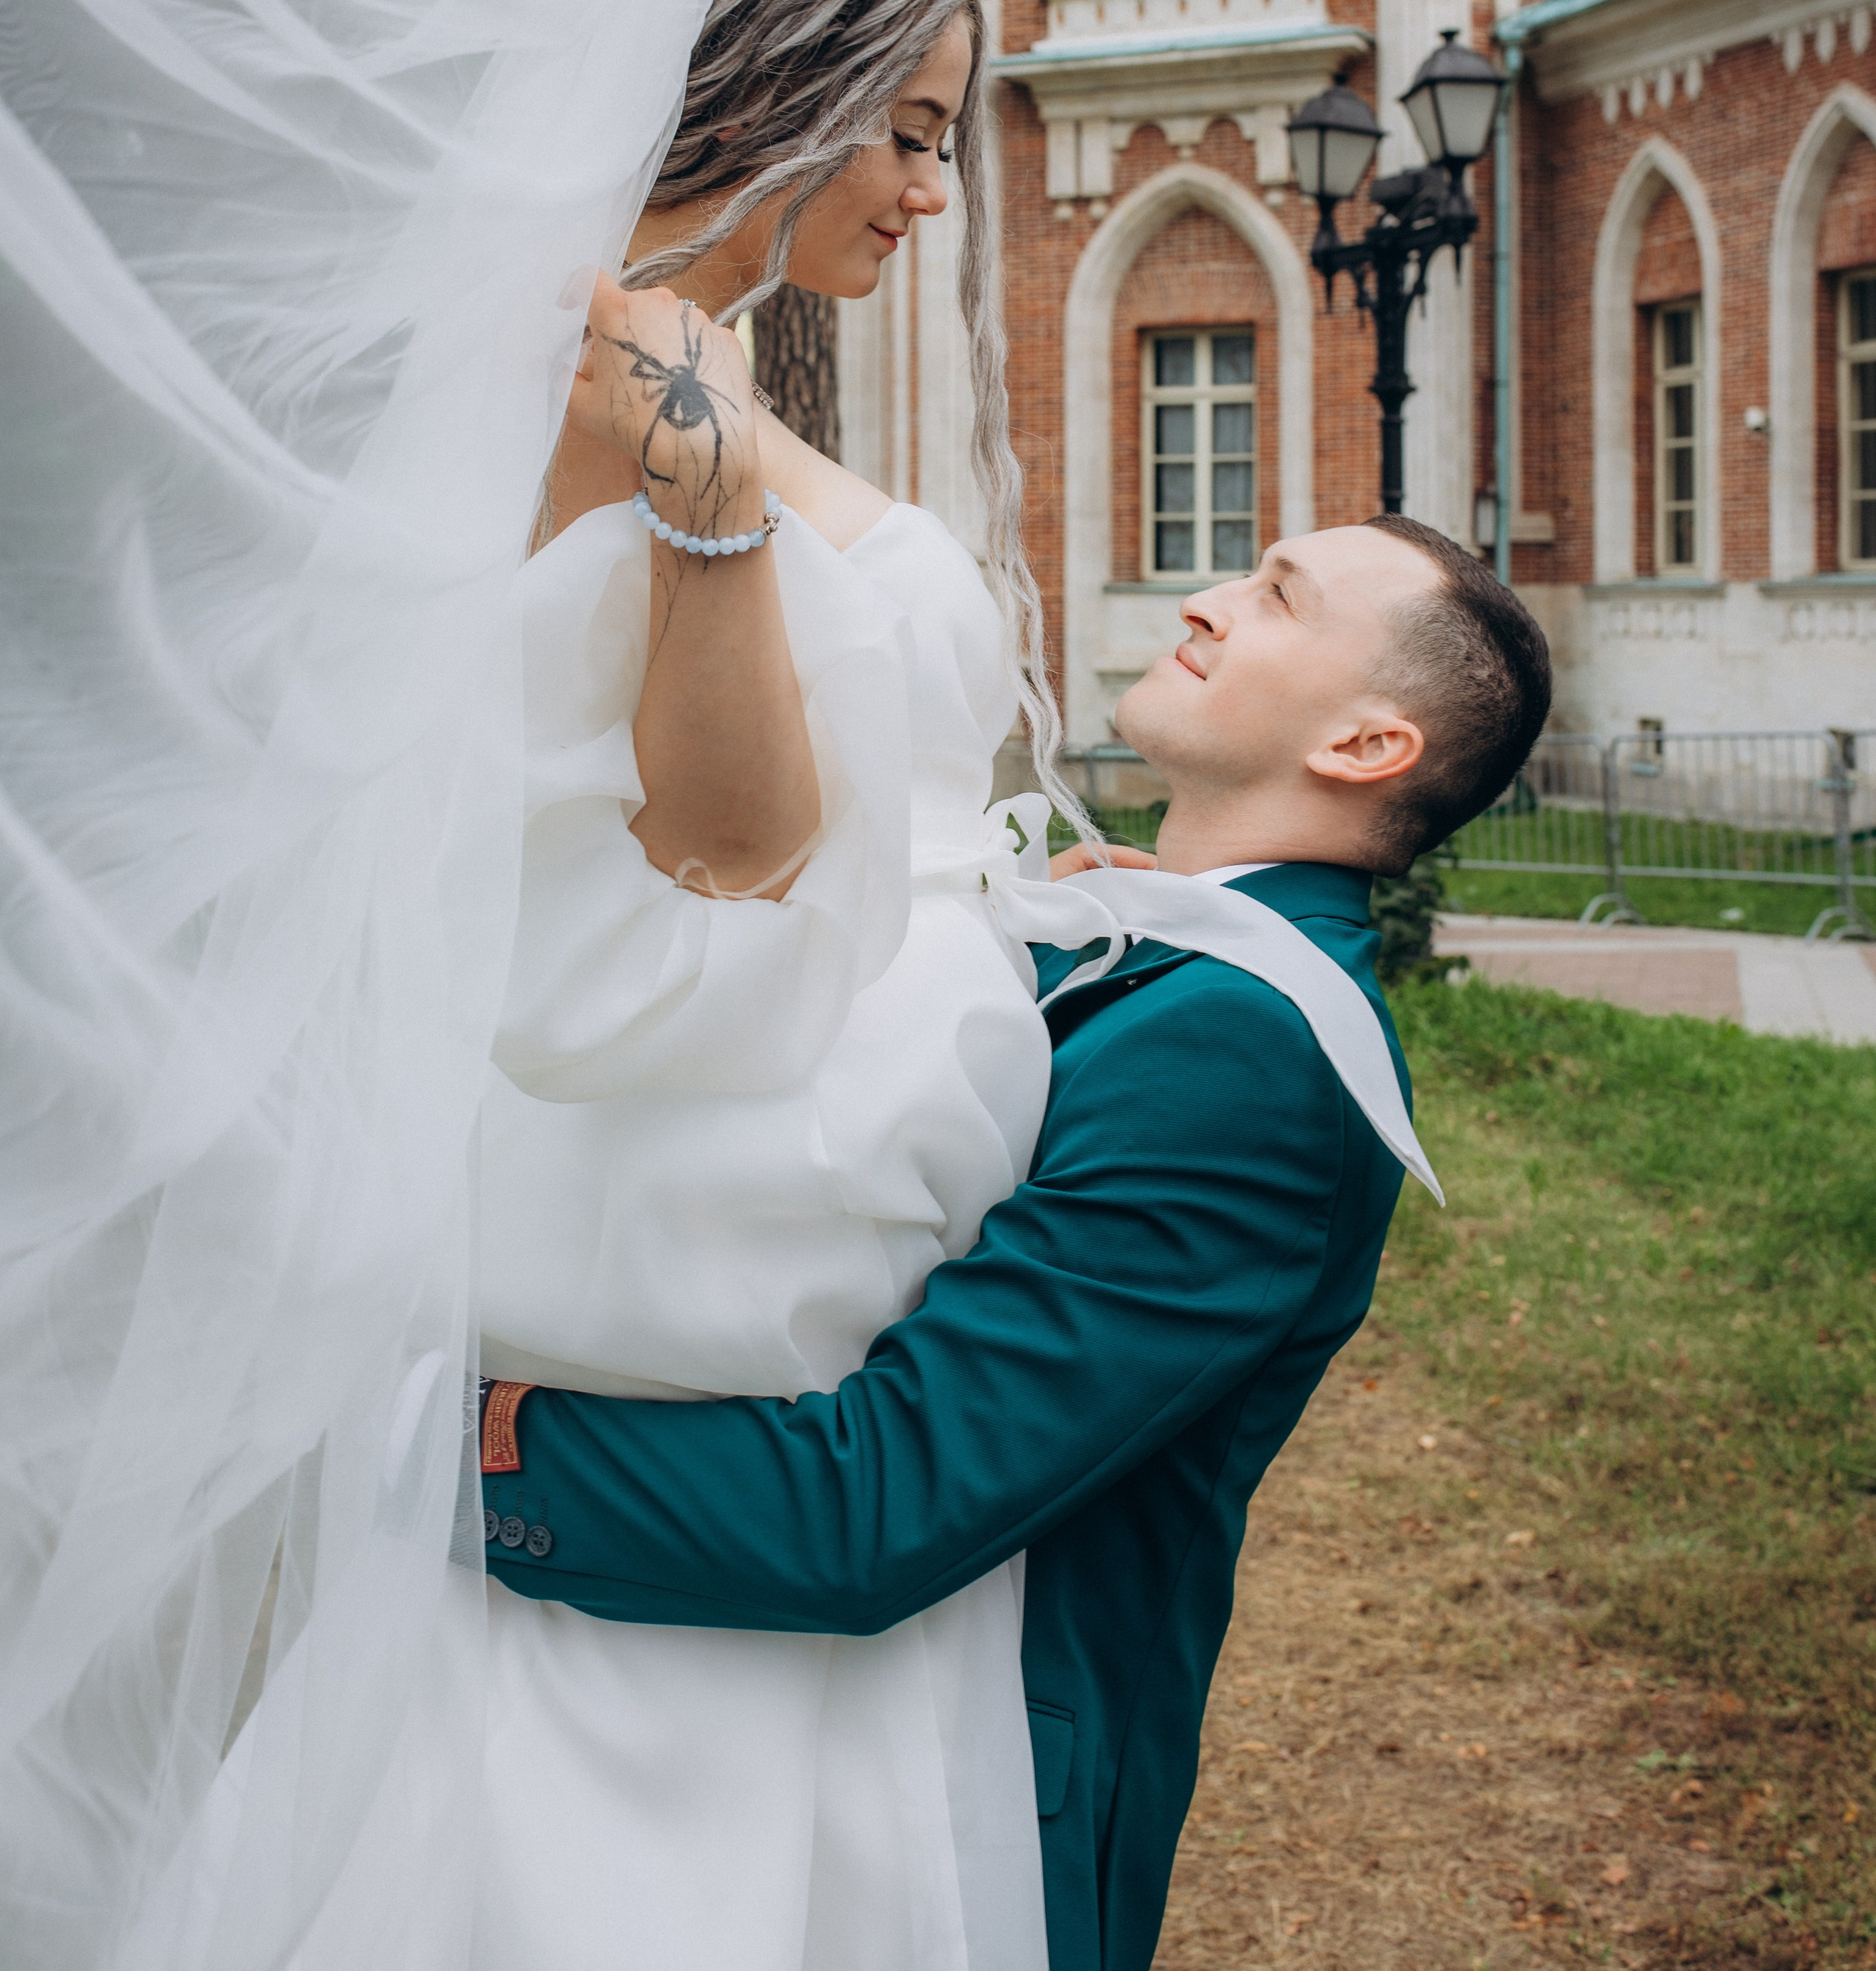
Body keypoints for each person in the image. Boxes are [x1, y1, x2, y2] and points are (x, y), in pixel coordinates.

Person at [476, 517, 1554, 1971]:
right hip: (727, 1721)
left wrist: (440, 1447)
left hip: (948, 1808)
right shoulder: (1128, 947)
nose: (1206, 597)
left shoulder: (1253, 1054)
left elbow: (876, 1505)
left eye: (1277, 596)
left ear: (1367, 744)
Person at [456, 0, 1102, 1971]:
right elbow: (724, 858)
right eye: (913, 129)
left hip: (807, 1265)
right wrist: (719, 512)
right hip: (673, 1227)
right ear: (781, 77)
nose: (934, 188)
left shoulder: (691, 355)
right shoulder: (600, 378)